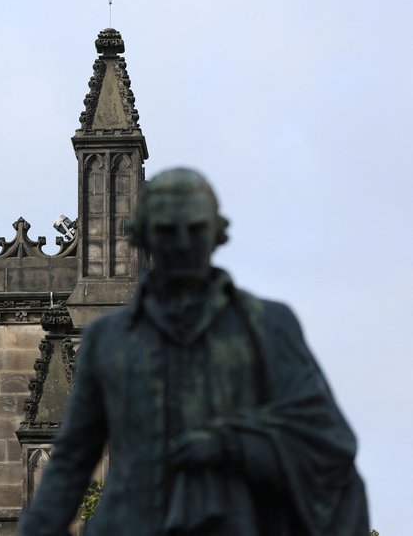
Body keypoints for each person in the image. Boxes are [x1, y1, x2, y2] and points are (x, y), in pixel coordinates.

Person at [18, 168, 368, 536]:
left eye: (195, 229)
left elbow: (329, 441)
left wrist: (232, 445)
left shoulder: (267, 325)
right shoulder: (110, 338)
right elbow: (71, 461)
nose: (183, 243)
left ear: (217, 234)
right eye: (169, 230)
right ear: (144, 236)